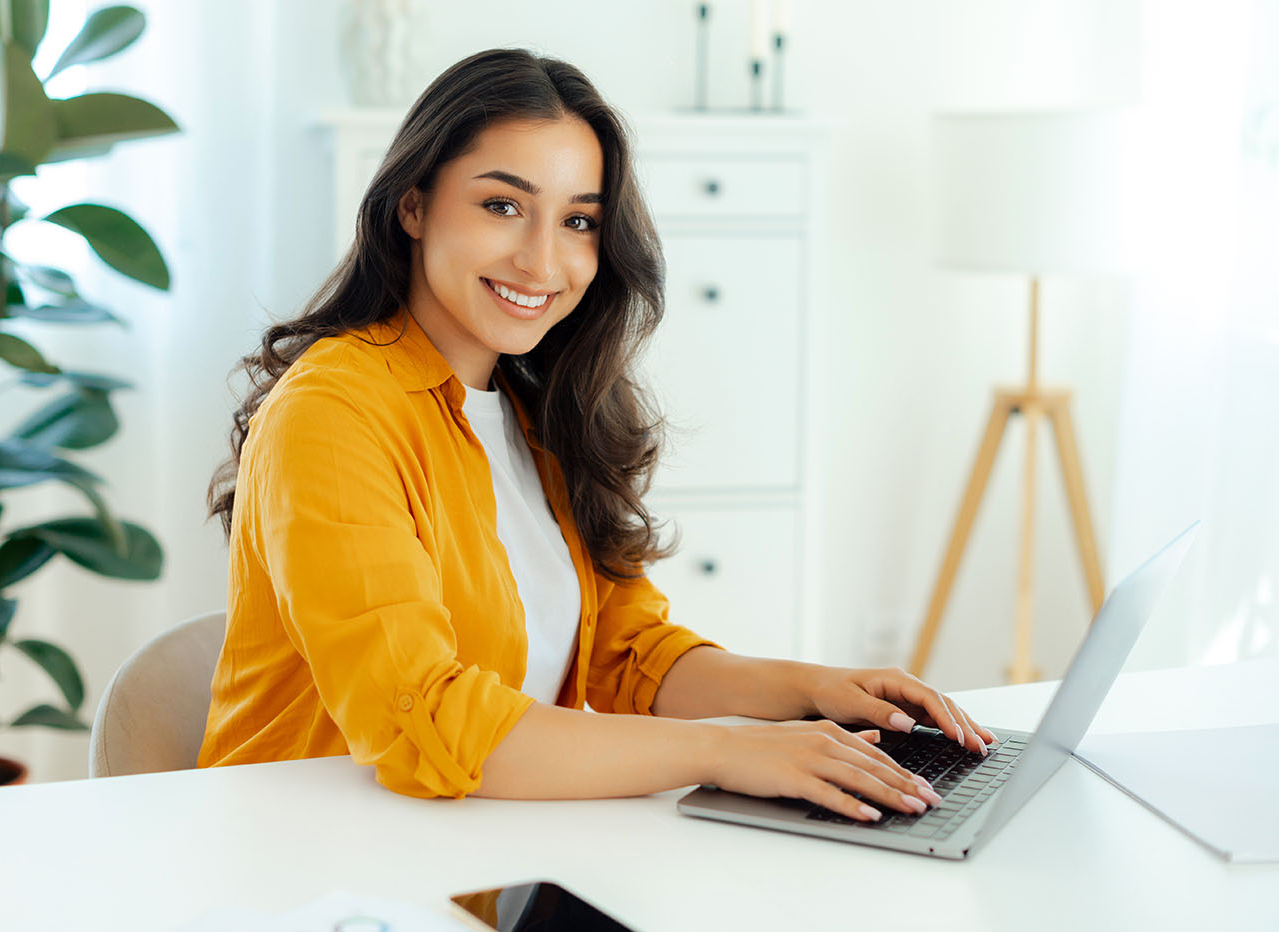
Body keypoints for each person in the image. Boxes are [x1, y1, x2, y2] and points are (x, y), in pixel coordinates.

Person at [199, 48, 994, 822]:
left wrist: (814, 691)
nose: (544, 260)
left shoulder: (533, 406)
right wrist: (727, 752)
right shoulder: (332, 414)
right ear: (412, 205)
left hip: (476, 847)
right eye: (502, 205)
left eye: (579, 221)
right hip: (317, 867)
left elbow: (627, 650)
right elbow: (427, 722)